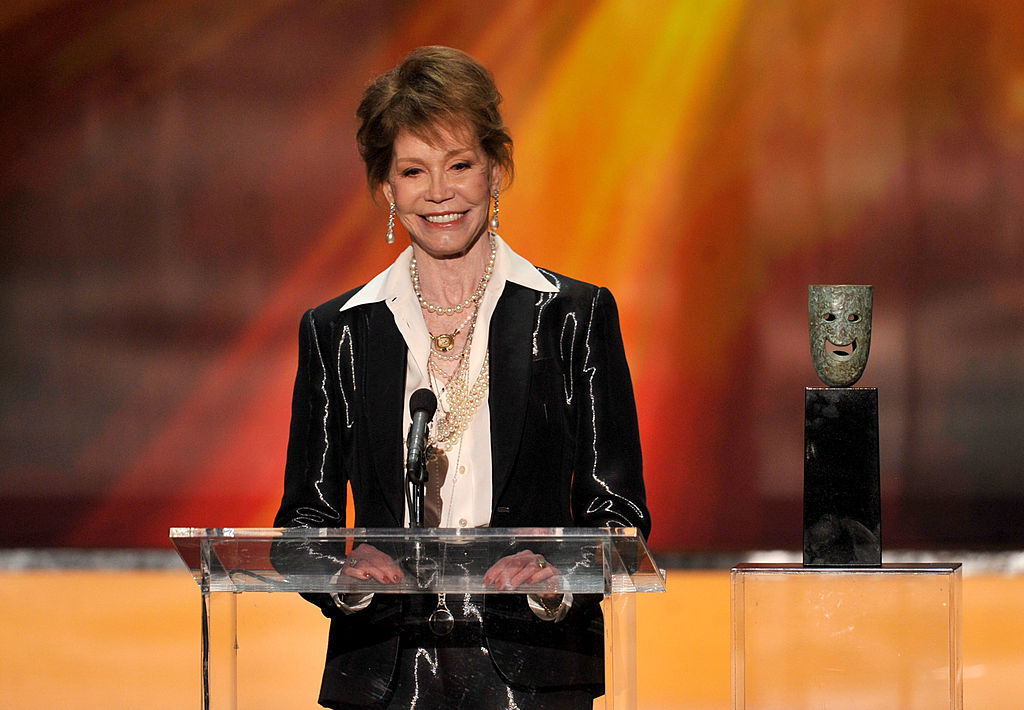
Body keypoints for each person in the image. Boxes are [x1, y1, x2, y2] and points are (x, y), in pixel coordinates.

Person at [274, 45, 649, 710]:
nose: (439, 191)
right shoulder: (338, 333)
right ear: (387, 188)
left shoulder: (573, 318)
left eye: (461, 165)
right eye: (413, 170)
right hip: (386, 678)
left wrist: (554, 574)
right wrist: (349, 578)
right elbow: (305, 520)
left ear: (497, 171)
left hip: (535, 674)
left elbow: (617, 516)